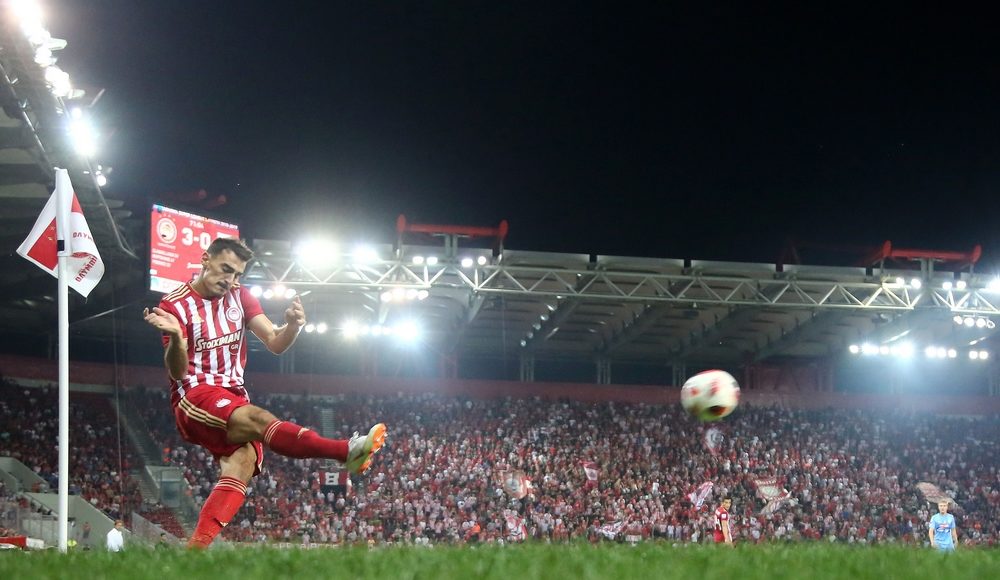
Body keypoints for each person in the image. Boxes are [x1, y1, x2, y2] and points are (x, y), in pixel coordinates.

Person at [143, 237, 386, 548]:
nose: (230, 280)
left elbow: (274, 341)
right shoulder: (174, 305)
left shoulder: (240, 297)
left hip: (233, 395)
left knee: (242, 463)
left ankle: (194, 552)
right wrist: (177, 337)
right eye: (225, 269)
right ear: (205, 260)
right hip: (194, 396)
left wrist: (292, 326)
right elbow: (177, 372)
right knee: (258, 418)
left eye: (237, 274)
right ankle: (345, 451)